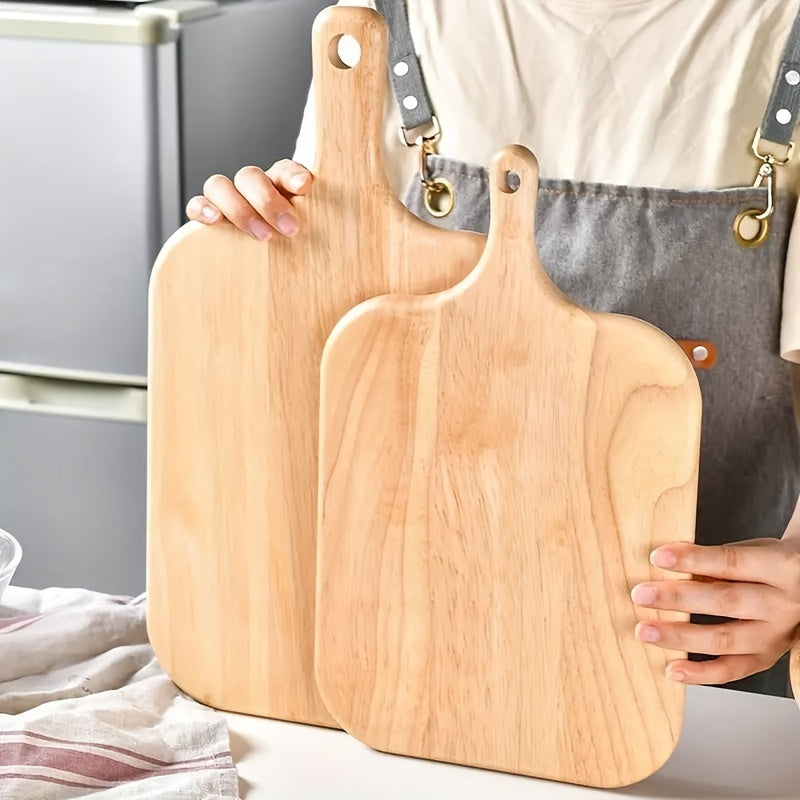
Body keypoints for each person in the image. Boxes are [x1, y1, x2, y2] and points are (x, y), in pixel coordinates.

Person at [185, 0, 800, 696]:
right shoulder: (390, 20)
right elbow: (327, 348)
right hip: (415, 647)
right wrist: (258, 244)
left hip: (694, 682)